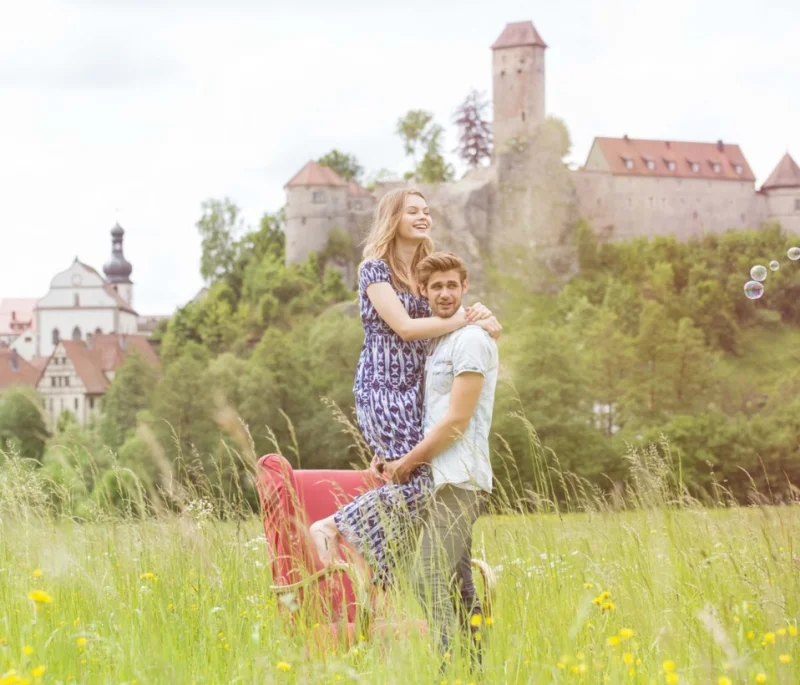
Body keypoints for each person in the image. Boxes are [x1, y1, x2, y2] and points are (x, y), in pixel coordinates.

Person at [309, 188, 501, 590]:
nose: (423, 216)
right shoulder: (374, 270)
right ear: (392, 218)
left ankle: (380, 572)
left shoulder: (424, 272)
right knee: (424, 481)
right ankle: (331, 527)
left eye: (426, 211)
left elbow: (448, 310)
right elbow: (407, 328)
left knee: (431, 478)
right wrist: (466, 319)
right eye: (412, 211)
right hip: (383, 388)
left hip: (419, 391)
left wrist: (482, 317)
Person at [383, 252, 498, 660]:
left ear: (465, 287)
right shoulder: (439, 340)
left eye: (452, 285)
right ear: (424, 291)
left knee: (426, 576)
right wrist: (392, 456)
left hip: (460, 479)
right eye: (436, 287)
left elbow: (456, 422)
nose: (445, 293)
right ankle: (476, 669)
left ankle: (447, 667)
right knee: (457, 581)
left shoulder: (471, 339)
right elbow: (429, 414)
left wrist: (407, 463)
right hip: (439, 478)